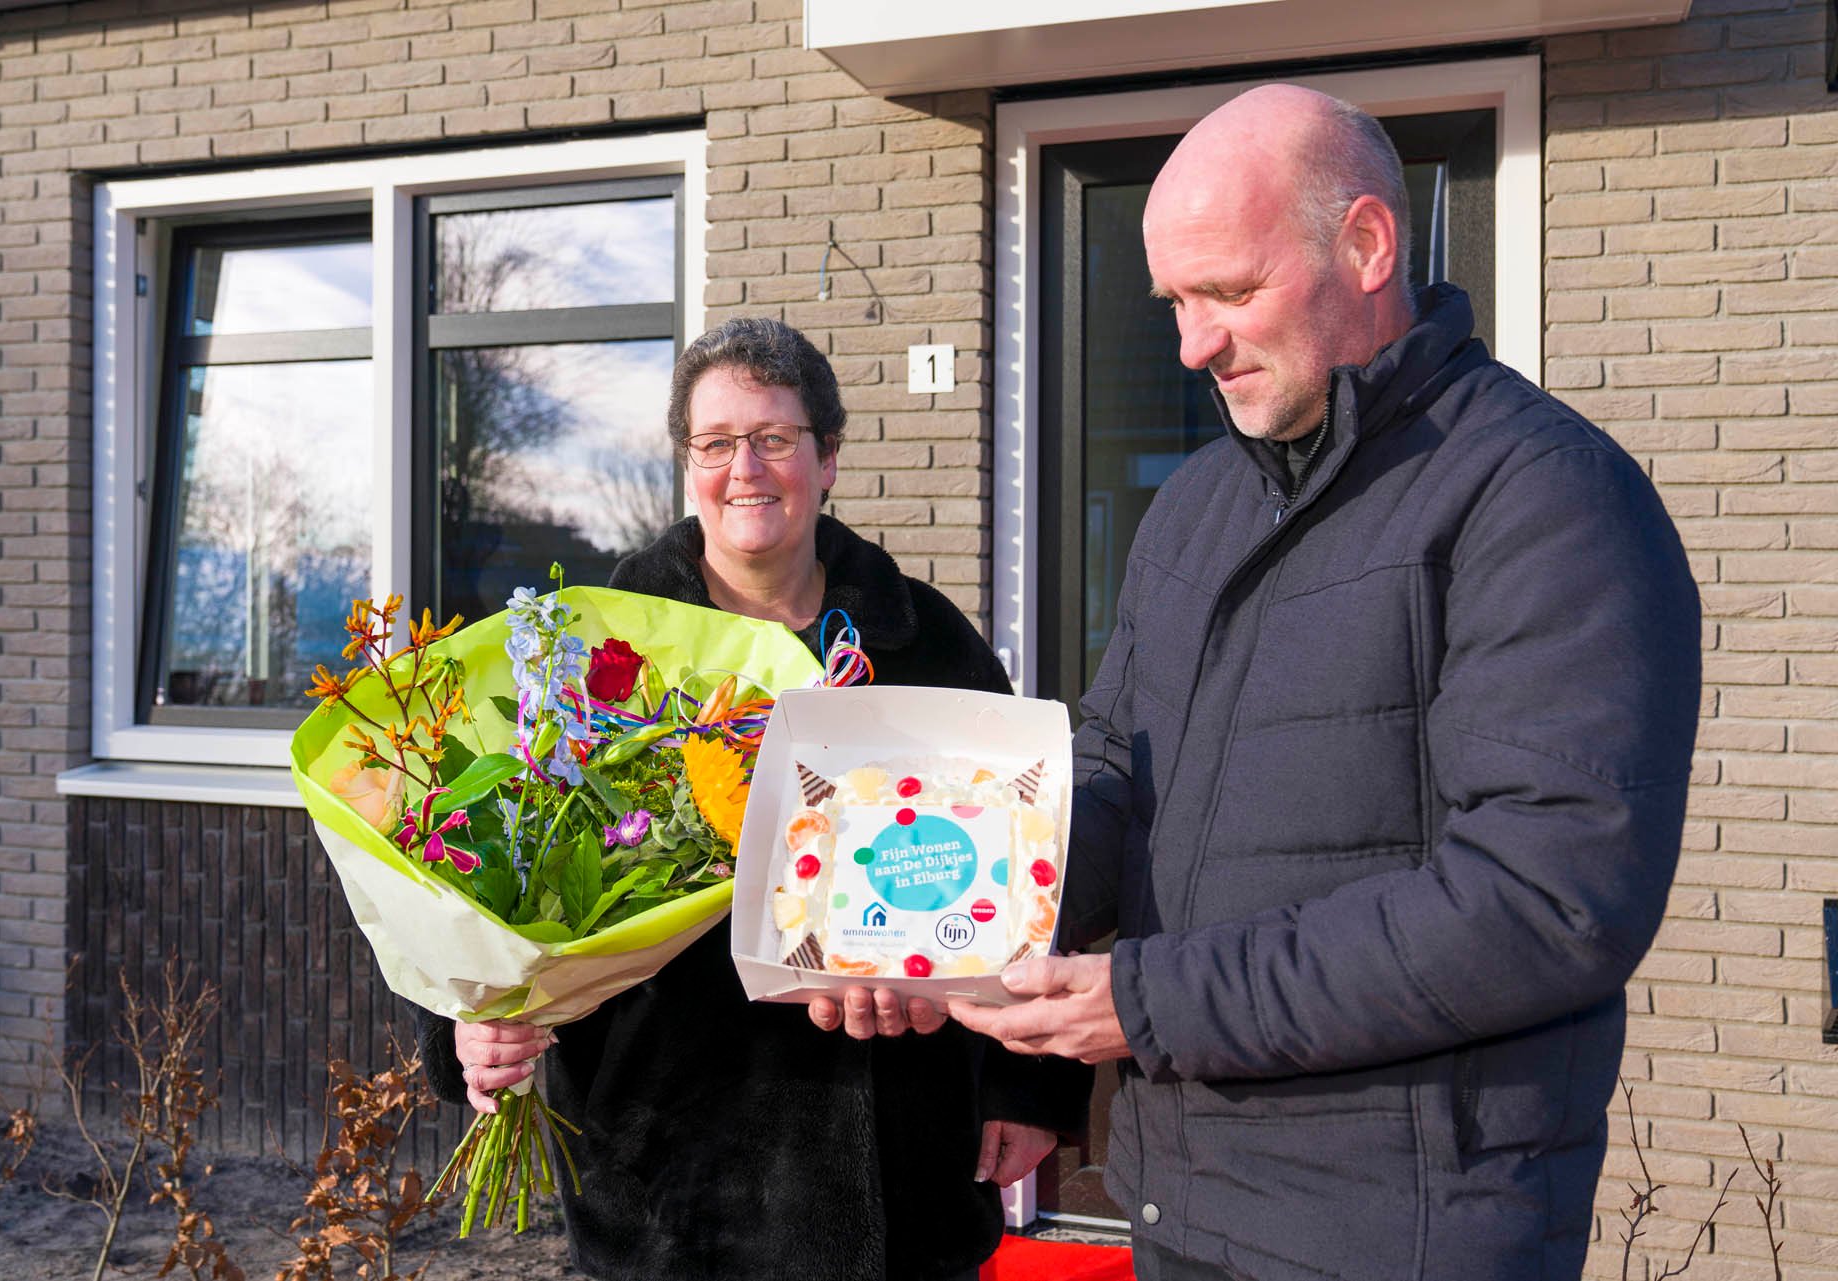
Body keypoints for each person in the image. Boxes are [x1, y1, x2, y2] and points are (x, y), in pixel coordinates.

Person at [946, 85, 1701, 1280]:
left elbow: (1546, 899)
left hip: (1399, 1232)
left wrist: (1149, 1004)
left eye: (1231, 293)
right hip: (1181, 1209)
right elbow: (1110, 773)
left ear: (1365, 244)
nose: (1194, 344)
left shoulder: (1544, 497)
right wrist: (945, 928)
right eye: (1176, 303)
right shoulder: (1197, 505)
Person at [416, 317, 1088, 1281]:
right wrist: (467, 1021)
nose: (746, 469)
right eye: (716, 443)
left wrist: (1032, 1078)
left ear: (829, 458)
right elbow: (491, 861)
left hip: (900, 1164)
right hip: (671, 1178)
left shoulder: (924, 642)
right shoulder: (600, 655)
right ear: (687, 463)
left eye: (775, 438)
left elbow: (1037, 856)